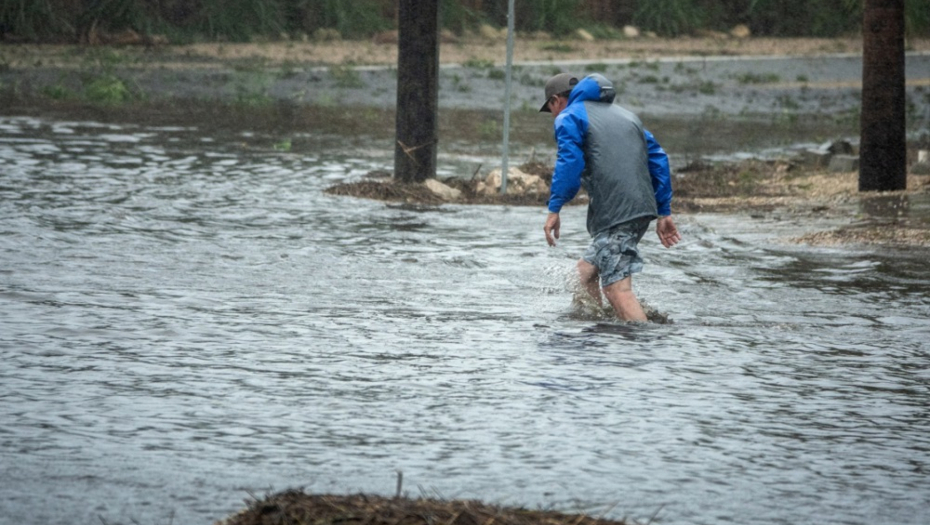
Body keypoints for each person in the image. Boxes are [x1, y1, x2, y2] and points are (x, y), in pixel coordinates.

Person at [540, 72, 682, 322]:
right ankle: (600, 329)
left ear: (555, 100)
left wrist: (555, 208)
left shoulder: (569, 116)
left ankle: (641, 342)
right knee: (583, 275)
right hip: (638, 210)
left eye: (550, 108)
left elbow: (569, 164)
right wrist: (664, 211)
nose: (553, 114)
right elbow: (659, 159)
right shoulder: (628, 117)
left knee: (616, 288)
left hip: (618, 213)